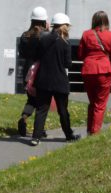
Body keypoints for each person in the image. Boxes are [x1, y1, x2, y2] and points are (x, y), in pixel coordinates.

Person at [30, 13, 80, 146]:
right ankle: (69, 135)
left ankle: (35, 137)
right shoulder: (65, 42)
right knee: (63, 110)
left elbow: (36, 56)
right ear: (65, 26)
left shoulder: (43, 39)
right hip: (59, 81)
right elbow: (68, 64)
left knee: (41, 110)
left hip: (43, 80)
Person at [78, 10, 111, 134]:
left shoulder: (86, 34)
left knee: (92, 102)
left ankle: (90, 130)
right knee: (100, 104)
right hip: (104, 71)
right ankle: (95, 133)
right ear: (106, 21)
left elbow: (80, 54)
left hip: (88, 70)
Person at [16, 6, 49, 137]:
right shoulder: (44, 36)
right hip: (41, 71)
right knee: (42, 103)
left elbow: (22, 53)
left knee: (31, 100)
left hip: (28, 72)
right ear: (44, 21)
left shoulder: (25, 36)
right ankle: (39, 128)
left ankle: (24, 117)